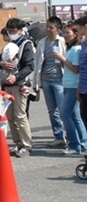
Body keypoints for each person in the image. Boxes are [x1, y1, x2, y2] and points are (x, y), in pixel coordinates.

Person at [0, 17, 36, 157]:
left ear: (20, 31)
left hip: (19, 84)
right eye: (9, 31)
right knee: (10, 116)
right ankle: (18, 143)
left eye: (13, 31)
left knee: (20, 115)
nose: (11, 34)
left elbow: (29, 66)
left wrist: (16, 76)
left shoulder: (26, 44)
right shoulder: (8, 44)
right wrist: (1, 64)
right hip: (6, 84)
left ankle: (27, 145)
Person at [33, 16, 67, 147]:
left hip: (60, 79)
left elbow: (68, 61)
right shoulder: (42, 43)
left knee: (64, 110)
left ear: (57, 29)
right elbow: (37, 64)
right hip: (46, 80)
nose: (48, 29)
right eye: (47, 27)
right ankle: (58, 136)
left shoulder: (62, 42)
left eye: (51, 27)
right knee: (52, 110)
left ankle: (70, 136)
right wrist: (36, 83)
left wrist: (61, 58)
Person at [56, 22, 87, 154]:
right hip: (69, 84)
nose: (65, 35)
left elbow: (75, 69)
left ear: (75, 34)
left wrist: (62, 59)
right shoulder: (70, 49)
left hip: (74, 85)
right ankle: (83, 142)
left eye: (68, 33)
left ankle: (74, 144)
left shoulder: (77, 49)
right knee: (75, 116)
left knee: (64, 114)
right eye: (64, 33)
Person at [75, 15, 87, 137]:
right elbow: (82, 68)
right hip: (84, 87)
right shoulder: (83, 44)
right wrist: (79, 88)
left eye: (79, 27)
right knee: (84, 116)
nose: (77, 29)